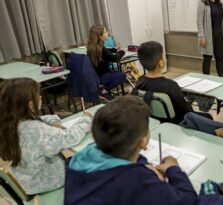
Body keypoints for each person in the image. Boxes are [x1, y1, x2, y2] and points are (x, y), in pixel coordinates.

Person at [65, 96, 197, 205]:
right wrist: (173, 169)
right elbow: (190, 201)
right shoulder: (139, 182)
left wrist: (143, 165)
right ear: (143, 142)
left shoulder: (80, 157)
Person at [0, 78, 92, 194]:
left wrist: (53, 122)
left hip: (25, 179)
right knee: (91, 164)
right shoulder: (35, 129)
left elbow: (41, 119)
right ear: (30, 104)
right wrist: (86, 119)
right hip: (47, 181)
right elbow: (70, 137)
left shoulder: (9, 123)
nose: (41, 97)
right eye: (38, 95)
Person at [135, 41, 193, 123]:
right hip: (176, 124)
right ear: (161, 62)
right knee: (208, 116)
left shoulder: (139, 82)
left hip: (154, 121)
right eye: (163, 55)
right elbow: (188, 111)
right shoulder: (171, 86)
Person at [87, 24, 126, 101]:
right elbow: (115, 58)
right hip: (102, 76)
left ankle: (104, 91)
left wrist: (115, 50)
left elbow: (107, 51)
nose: (107, 33)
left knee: (116, 73)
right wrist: (122, 51)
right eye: (105, 32)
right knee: (122, 76)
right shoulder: (101, 48)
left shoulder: (93, 47)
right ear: (100, 36)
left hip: (96, 76)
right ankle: (103, 91)